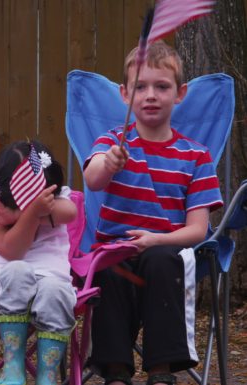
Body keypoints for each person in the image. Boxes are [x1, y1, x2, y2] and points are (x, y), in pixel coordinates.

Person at [83, 41, 224, 385]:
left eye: (162, 86)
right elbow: (93, 178)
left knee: (162, 260)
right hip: (116, 249)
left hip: (168, 250)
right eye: (140, 87)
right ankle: (115, 372)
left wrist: (155, 240)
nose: (150, 95)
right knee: (108, 270)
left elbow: (197, 230)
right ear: (124, 93)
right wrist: (110, 163)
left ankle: (161, 373)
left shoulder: (196, 156)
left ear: (180, 93)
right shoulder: (113, 141)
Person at [0, 140, 78, 385]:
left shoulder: (58, 199)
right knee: (18, 270)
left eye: (37, 193)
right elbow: (13, 251)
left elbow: (71, 213)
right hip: (6, 280)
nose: (32, 200)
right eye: (23, 195)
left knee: (55, 291)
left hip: (52, 279)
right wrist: (32, 214)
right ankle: (13, 367)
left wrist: (19, 215)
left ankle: (48, 375)